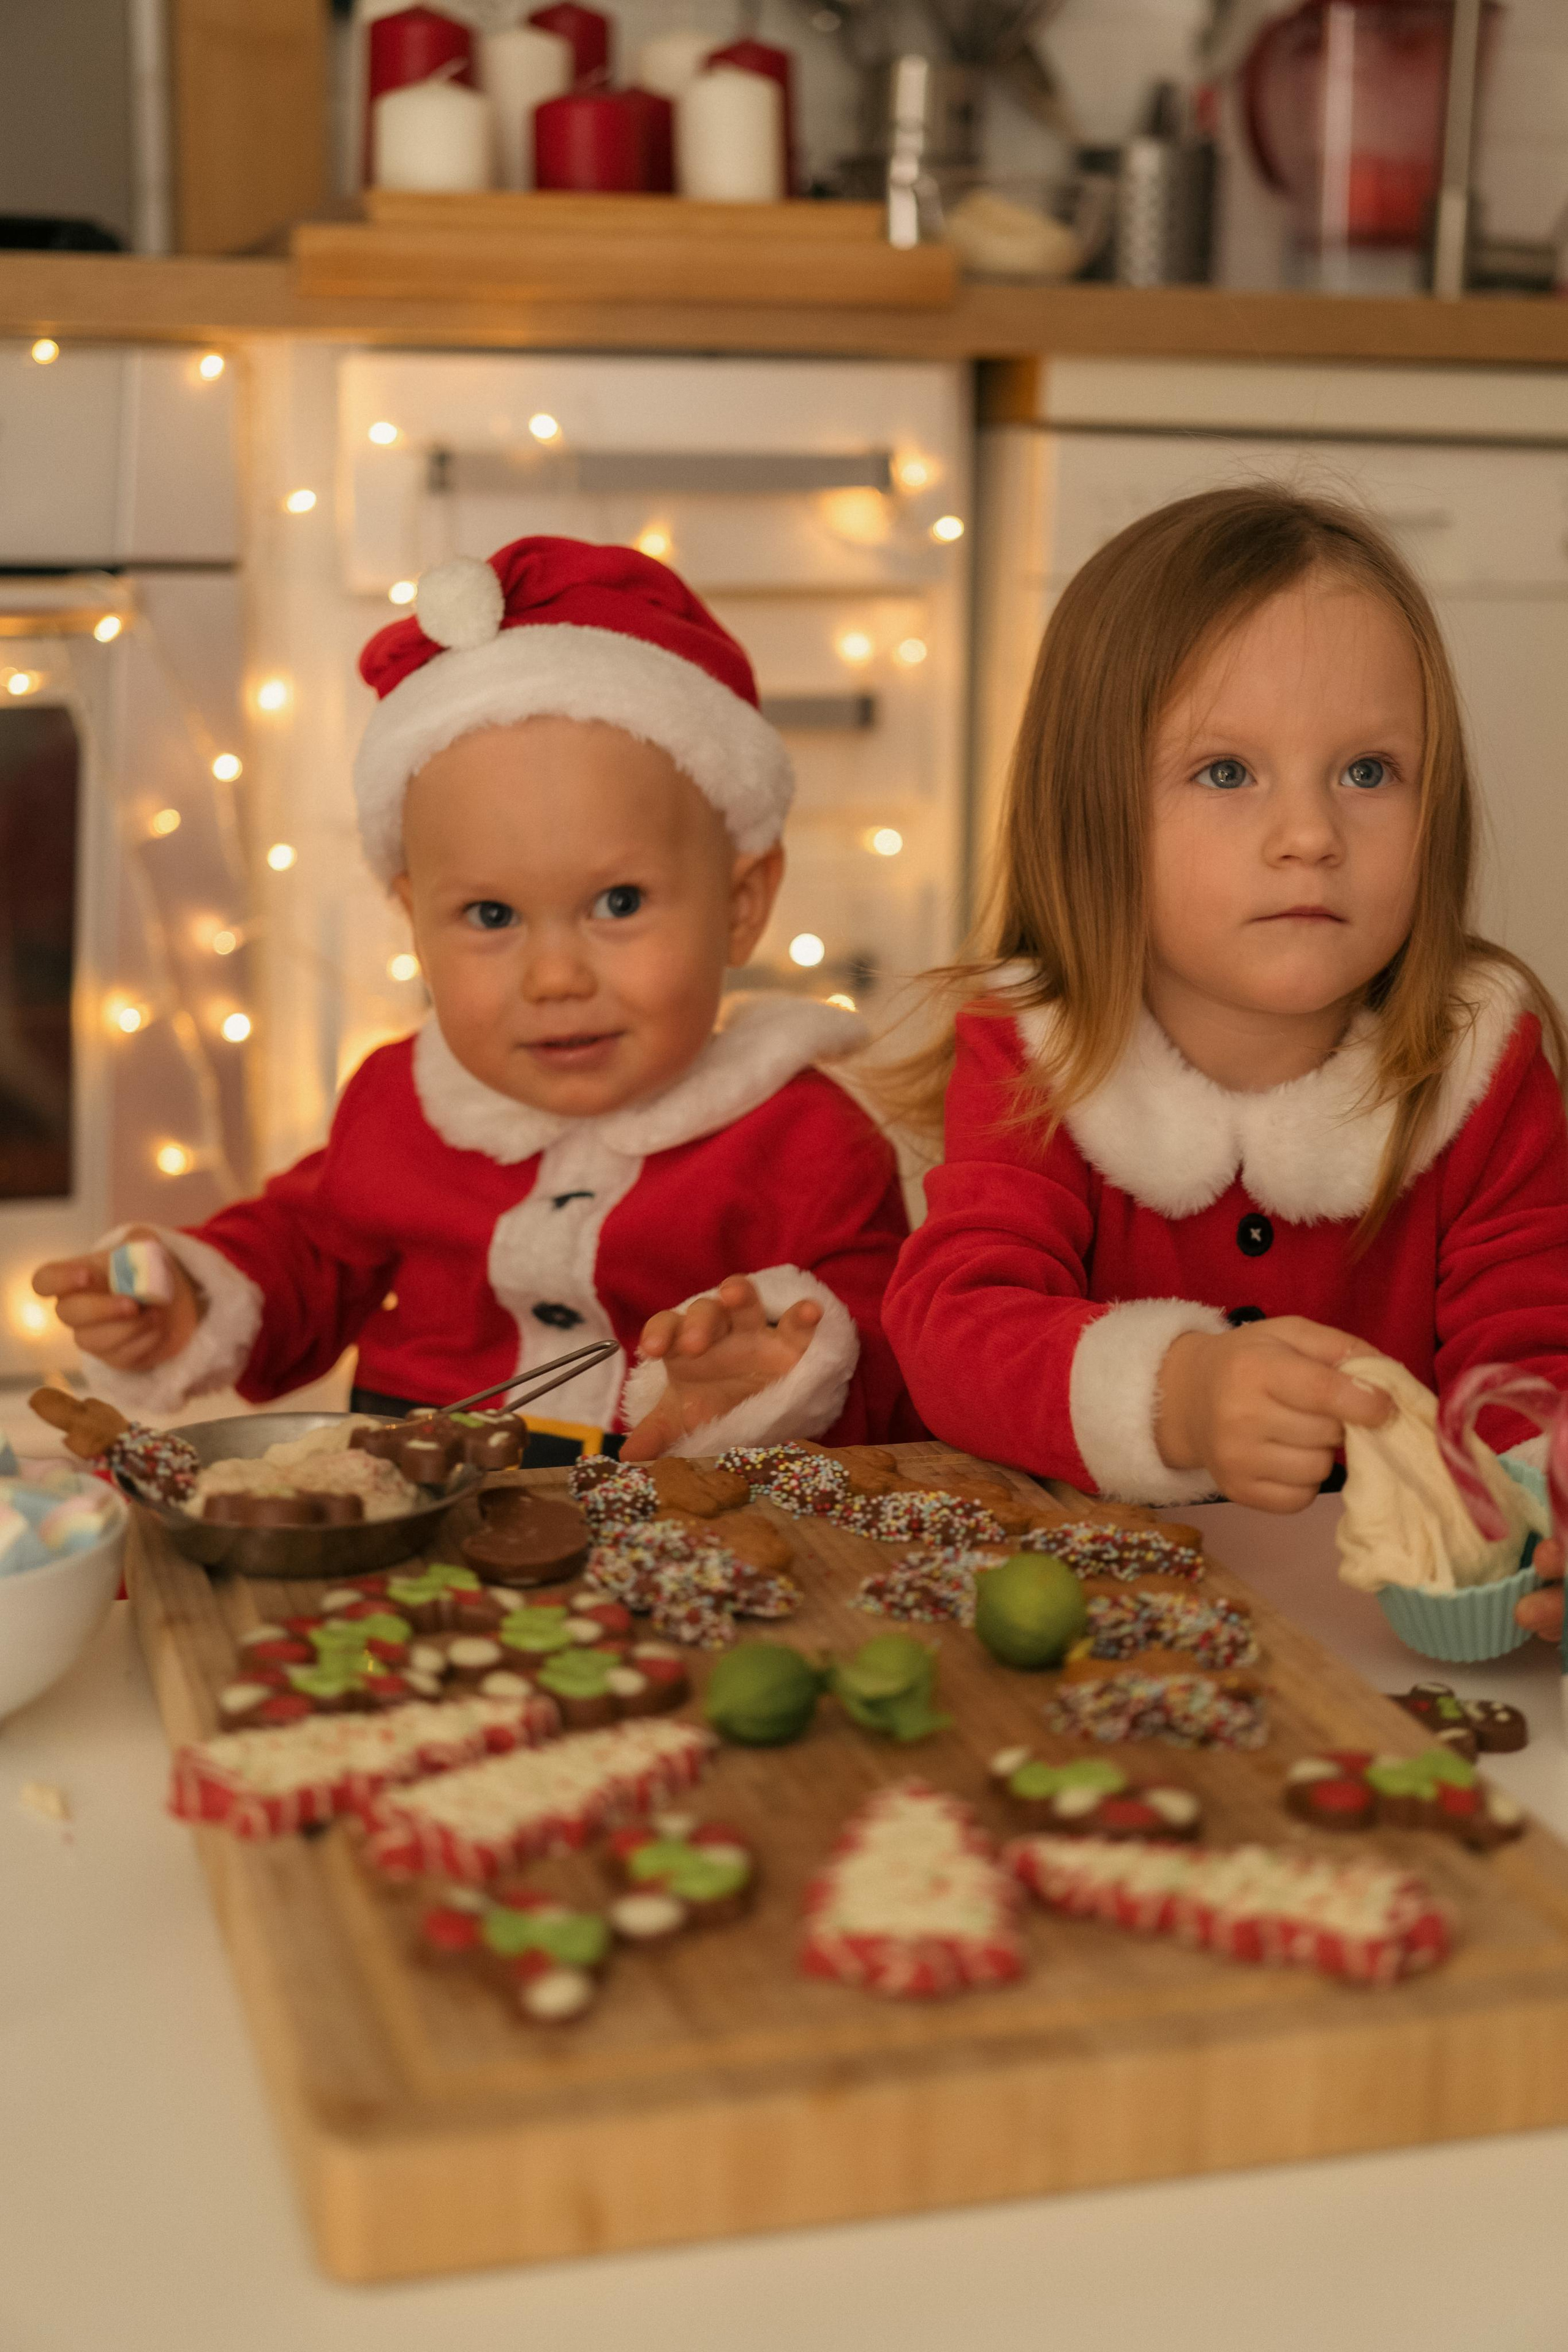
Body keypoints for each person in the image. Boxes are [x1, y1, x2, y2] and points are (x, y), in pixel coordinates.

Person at [33, 535, 916, 1464]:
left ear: (741, 907)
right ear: (413, 916)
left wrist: (779, 1373)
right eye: (491, 914)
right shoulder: (405, 1100)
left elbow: (894, 1362)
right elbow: (307, 1248)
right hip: (415, 1513)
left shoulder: (809, 1141)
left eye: (618, 904)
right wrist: (190, 1302)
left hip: (676, 1530)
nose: (554, 978)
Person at [881, 485, 1568, 1626]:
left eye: (1367, 772)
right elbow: (954, 1330)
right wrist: (1180, 1396)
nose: (1310, 837)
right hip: (1102, 1621)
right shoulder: (1034, 1053)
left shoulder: (1479, 1062)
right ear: (1092, 812)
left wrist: (1539, 1502)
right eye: (1227, 773)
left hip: (1384, 1652)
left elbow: (1535, 1348)